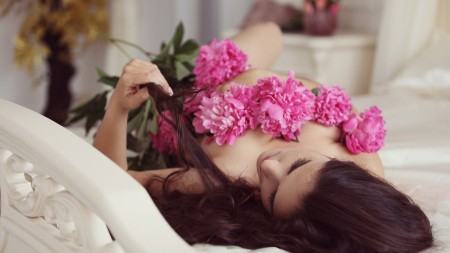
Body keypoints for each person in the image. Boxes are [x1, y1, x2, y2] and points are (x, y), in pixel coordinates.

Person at [93, 22, 434, 253]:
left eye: (271, 195)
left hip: (188, 92)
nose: (268, 167)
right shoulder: (361, 158)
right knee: (271, 29)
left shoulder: (228, 180)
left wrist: (119, 107)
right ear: (343, 171)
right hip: (246, 72)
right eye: (296, 165)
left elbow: (118, 181)